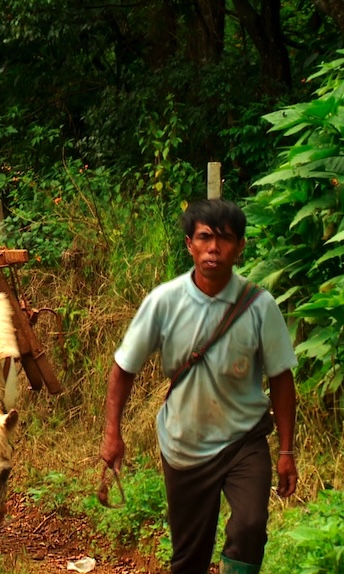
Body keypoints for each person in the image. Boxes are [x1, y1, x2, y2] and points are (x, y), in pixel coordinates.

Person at [99, 199, 298, 574]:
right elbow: (124, 367)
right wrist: (113, 433)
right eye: (205, 238)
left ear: (240, 247)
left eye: (224, 239)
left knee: (251, 525)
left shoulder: (260, 306)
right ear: (189, 244)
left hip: (244, 441)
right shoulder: (164, 302)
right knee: (189, 557)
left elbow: (281, 379)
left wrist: (286, 450)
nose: (214, 248)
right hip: (184, 444)